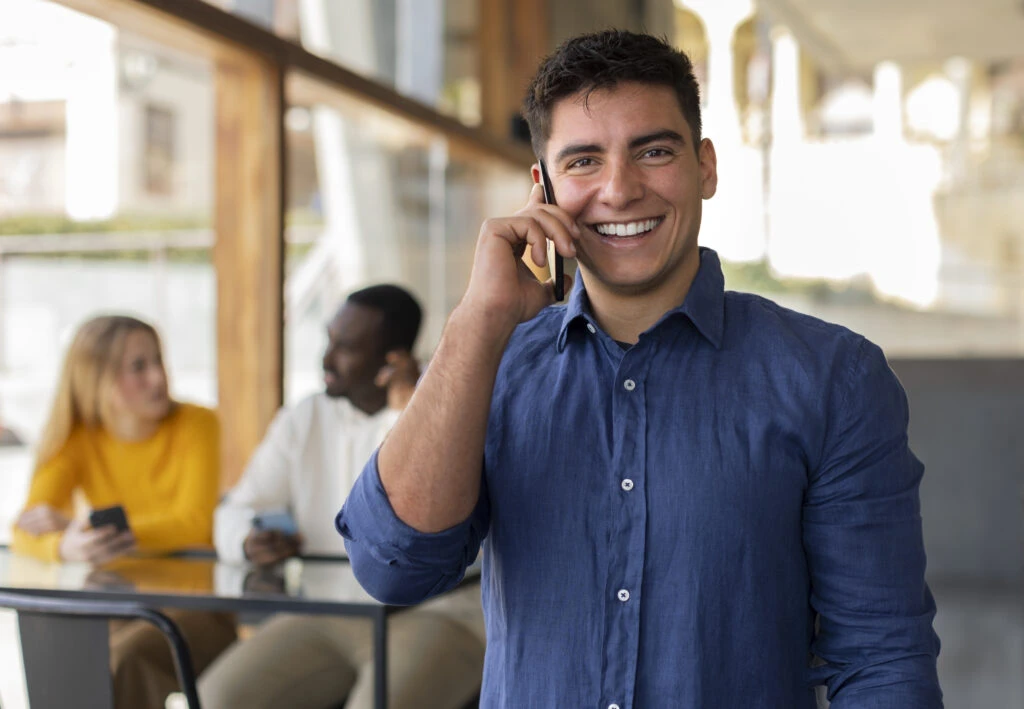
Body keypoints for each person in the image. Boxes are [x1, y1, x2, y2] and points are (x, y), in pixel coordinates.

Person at [336, 30, 943, 708]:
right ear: (542, 188)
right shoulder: (492, 365)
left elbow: (883, 660)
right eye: (584, 162)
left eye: (653, 151)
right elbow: (393, 566)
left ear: (705, 167)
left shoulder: (833, 377)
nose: (619, 190)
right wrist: (478, 320)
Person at [199, 284, 485, 709]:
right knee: (216, 697)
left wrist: (404, 409)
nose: (326, 359)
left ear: (393, 360)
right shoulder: (305, 418)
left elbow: (402, 524)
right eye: (329, 340)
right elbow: (238, 508)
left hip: (436, 614)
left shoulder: (452, 410)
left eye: (346, 347)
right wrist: (248, 538)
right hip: (327, 609)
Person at [11, 314, 236, 709]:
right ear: (96, 379)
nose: (158, 377)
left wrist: (85, 530)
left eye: (158, 361)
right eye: (139, 366)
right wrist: (66, 545)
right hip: (118, 602)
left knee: (124, 660)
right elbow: (25, 529)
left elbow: (194, 523)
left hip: (198, 608)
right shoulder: (77, 438)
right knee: (61, 655)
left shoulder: (197, 424)